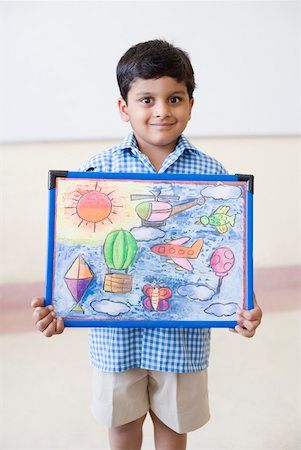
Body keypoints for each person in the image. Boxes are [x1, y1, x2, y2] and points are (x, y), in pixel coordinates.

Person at [32, 40, 262, 450]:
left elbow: (225, 248)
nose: (162, 110)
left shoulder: (215, 176)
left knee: (174, 426)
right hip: (115, 340)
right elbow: (76, 250)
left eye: (175, 98)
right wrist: (59, 302)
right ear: (124, 107)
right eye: (146, 99)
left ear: (191, 103)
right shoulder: (96, 171)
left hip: (182, 339)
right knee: (122, 425)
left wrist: (244, 303)